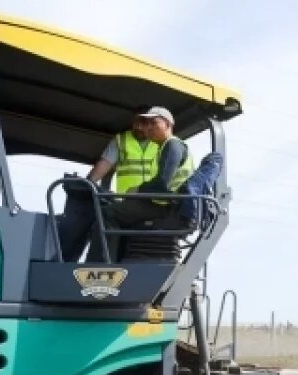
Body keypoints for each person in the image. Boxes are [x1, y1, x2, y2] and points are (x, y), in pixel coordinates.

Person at [56, 105, 156, 261]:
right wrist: (87, 185)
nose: (137, 126)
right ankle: (95, 264)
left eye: (143, 122)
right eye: (135, 121)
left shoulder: (164, 144)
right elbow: (104, 164)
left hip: (153, 201)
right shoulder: (121, 140)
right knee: (103, 215)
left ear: (153, 123)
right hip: (127, 203)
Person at [97, 105, 194, 260]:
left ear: (168, 124)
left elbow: (161, 184)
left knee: (106, 213)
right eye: (146, 123)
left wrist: (136, 191)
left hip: (167, 207)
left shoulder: (173, 146)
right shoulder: (164, 147)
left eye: (153, 123)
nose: (148, 127)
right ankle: (120, 259)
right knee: (119, 211)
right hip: (166, 204)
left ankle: (103, 265)